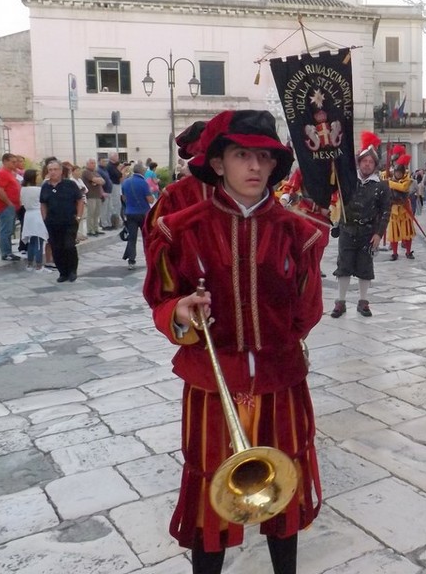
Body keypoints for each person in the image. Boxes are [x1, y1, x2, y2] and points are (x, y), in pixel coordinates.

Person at [143, 110, 324, 574]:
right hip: (210, 385)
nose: (254, 167)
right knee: (210, 497)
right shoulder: (180, 230)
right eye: (242, 155)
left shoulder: (299, 233)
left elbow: (308, 310)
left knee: (283, 492)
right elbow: (162, 299)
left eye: (264, 157)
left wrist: (278, 340)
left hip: (281, 383)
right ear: (218, 162)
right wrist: (180, 314)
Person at [330, 138, 390, 318]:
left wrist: (379, 234)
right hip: (347, 230)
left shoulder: (381, 186)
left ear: (375, 165)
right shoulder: (347, 180)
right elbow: (334, 187)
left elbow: (386, 212)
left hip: (368, 233)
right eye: (364, 161)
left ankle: (363, 301)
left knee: (365, 268)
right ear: (359, 162)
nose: (367, 164)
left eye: (371, 162)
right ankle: (340, 301)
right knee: (344, 266)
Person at [40, 159, 85, 283]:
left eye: (55, 169)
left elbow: (79, 200)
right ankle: (62, 272)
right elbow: (43, 203)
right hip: (53, 222)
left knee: (69, 245)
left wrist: (79, 216)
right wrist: (45, 218)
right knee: (56, 247)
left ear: (60, 171)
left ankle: (72, 271)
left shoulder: (70, 184)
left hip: (69, 221)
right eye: (50, 170)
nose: (53, 172)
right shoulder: (45, 186)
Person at [121, 162, 155, 270]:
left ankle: (131, 261)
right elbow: (150, 199)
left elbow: (124, 198)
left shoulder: (125, 182)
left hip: (130, 213)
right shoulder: (143, 183)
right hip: (143, 213)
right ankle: (149, 259)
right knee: (146, 237)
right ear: (142, 171)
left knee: (132, 238)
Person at [20, 169, 50, 272]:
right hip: (37, 215)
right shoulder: (38, 190)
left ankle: (29, 263)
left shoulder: (23, 189)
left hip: (28, 215)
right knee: (38, 241)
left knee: (31, 241)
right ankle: (38, 265)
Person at [0, 153, 22, 261]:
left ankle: (8, 251)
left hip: (11, 205)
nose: (15, 164)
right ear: (5, 161)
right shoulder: (2, 173)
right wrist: (9, 203)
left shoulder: (10, 173)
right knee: (6, 230)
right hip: (5, 206)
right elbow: (0, 191)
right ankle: (6, 253)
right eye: (12, 162)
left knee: (9, 229)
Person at [386, 156, 416, 262]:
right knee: (394, 232)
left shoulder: (407, 180)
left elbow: (402, 188)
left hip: (404, 209)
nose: (398, 174)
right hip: (394, 209)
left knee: (407, 232)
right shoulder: (390, 179)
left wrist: (388, 183)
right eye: (396, 172)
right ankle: (394, 253)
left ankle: (408, 251)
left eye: (399, 172)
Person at [81, 158, 106, 236]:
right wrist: (97, 180)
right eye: (91, 163)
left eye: (94, 163)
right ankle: (90, 230)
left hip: (97, 195)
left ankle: (96, 228)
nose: (93, 164)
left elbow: (103, 181)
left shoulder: (95, 172)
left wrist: (97, 180)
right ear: (87, 164)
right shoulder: (86, 172)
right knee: (91, 214)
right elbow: (94, 179)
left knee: (97, 213)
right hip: (90, 196)